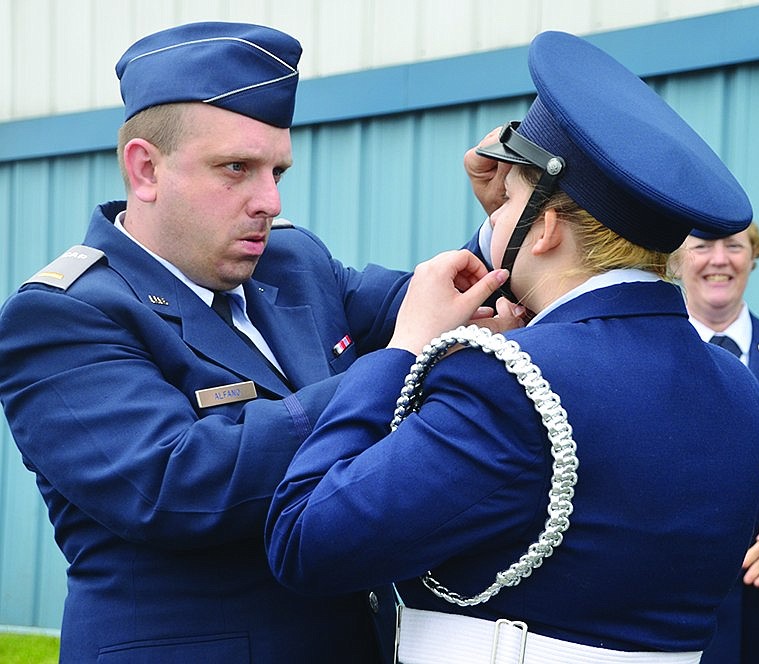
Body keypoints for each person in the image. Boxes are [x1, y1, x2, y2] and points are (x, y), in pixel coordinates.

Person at [0, 22, 506, 664]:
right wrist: (396, 365)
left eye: (277, 170)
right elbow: (176, 485)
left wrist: (504, 216)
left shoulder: (291, 263)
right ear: (145, 169)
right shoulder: (62, 315)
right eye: (236, 168)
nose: (268, 200)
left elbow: (444, 300)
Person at [265, 31, 759, 662]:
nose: (493, 215)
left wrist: (401, 350)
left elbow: (306, 541)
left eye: (506, 201)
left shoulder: (507, 383)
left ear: (549, 226)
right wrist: (507, 226)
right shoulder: (736, 384)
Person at [671, 223, 759, 663]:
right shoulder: (646, 357)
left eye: (733, 246)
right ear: (675, 261)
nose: (719, 259)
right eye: (702, 247)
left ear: (753, 255)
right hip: (670, 610)